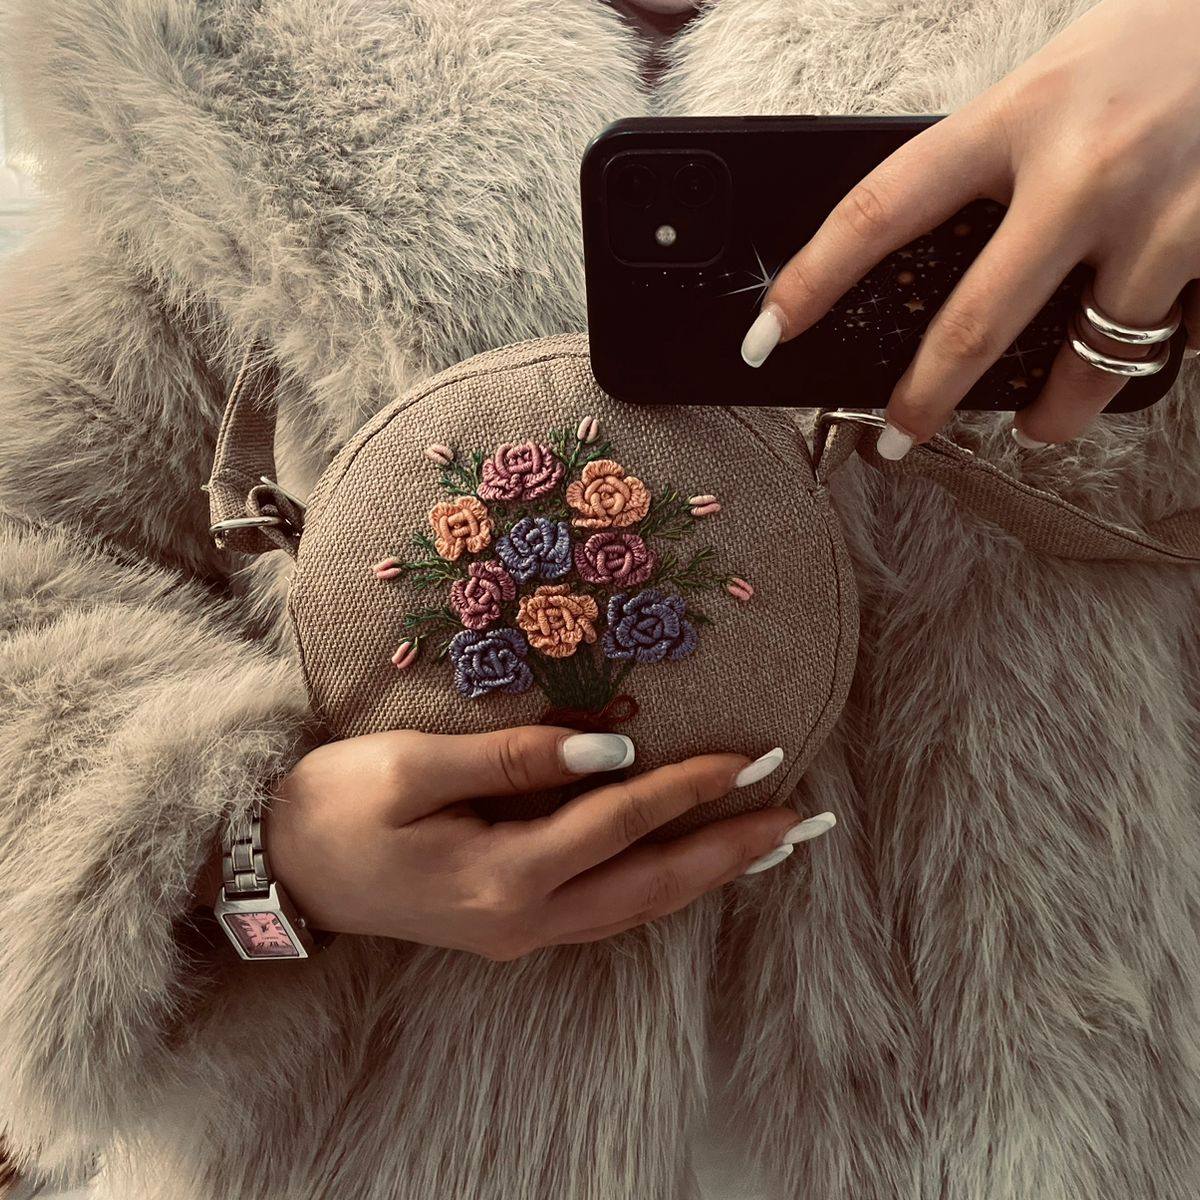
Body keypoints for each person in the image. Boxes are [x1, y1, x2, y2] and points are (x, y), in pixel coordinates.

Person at [0, 1, 1197, 1198]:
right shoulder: (217, 85)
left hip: (1053, 1088)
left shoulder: (1108, 50)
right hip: (392, 1131)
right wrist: (260, 848)